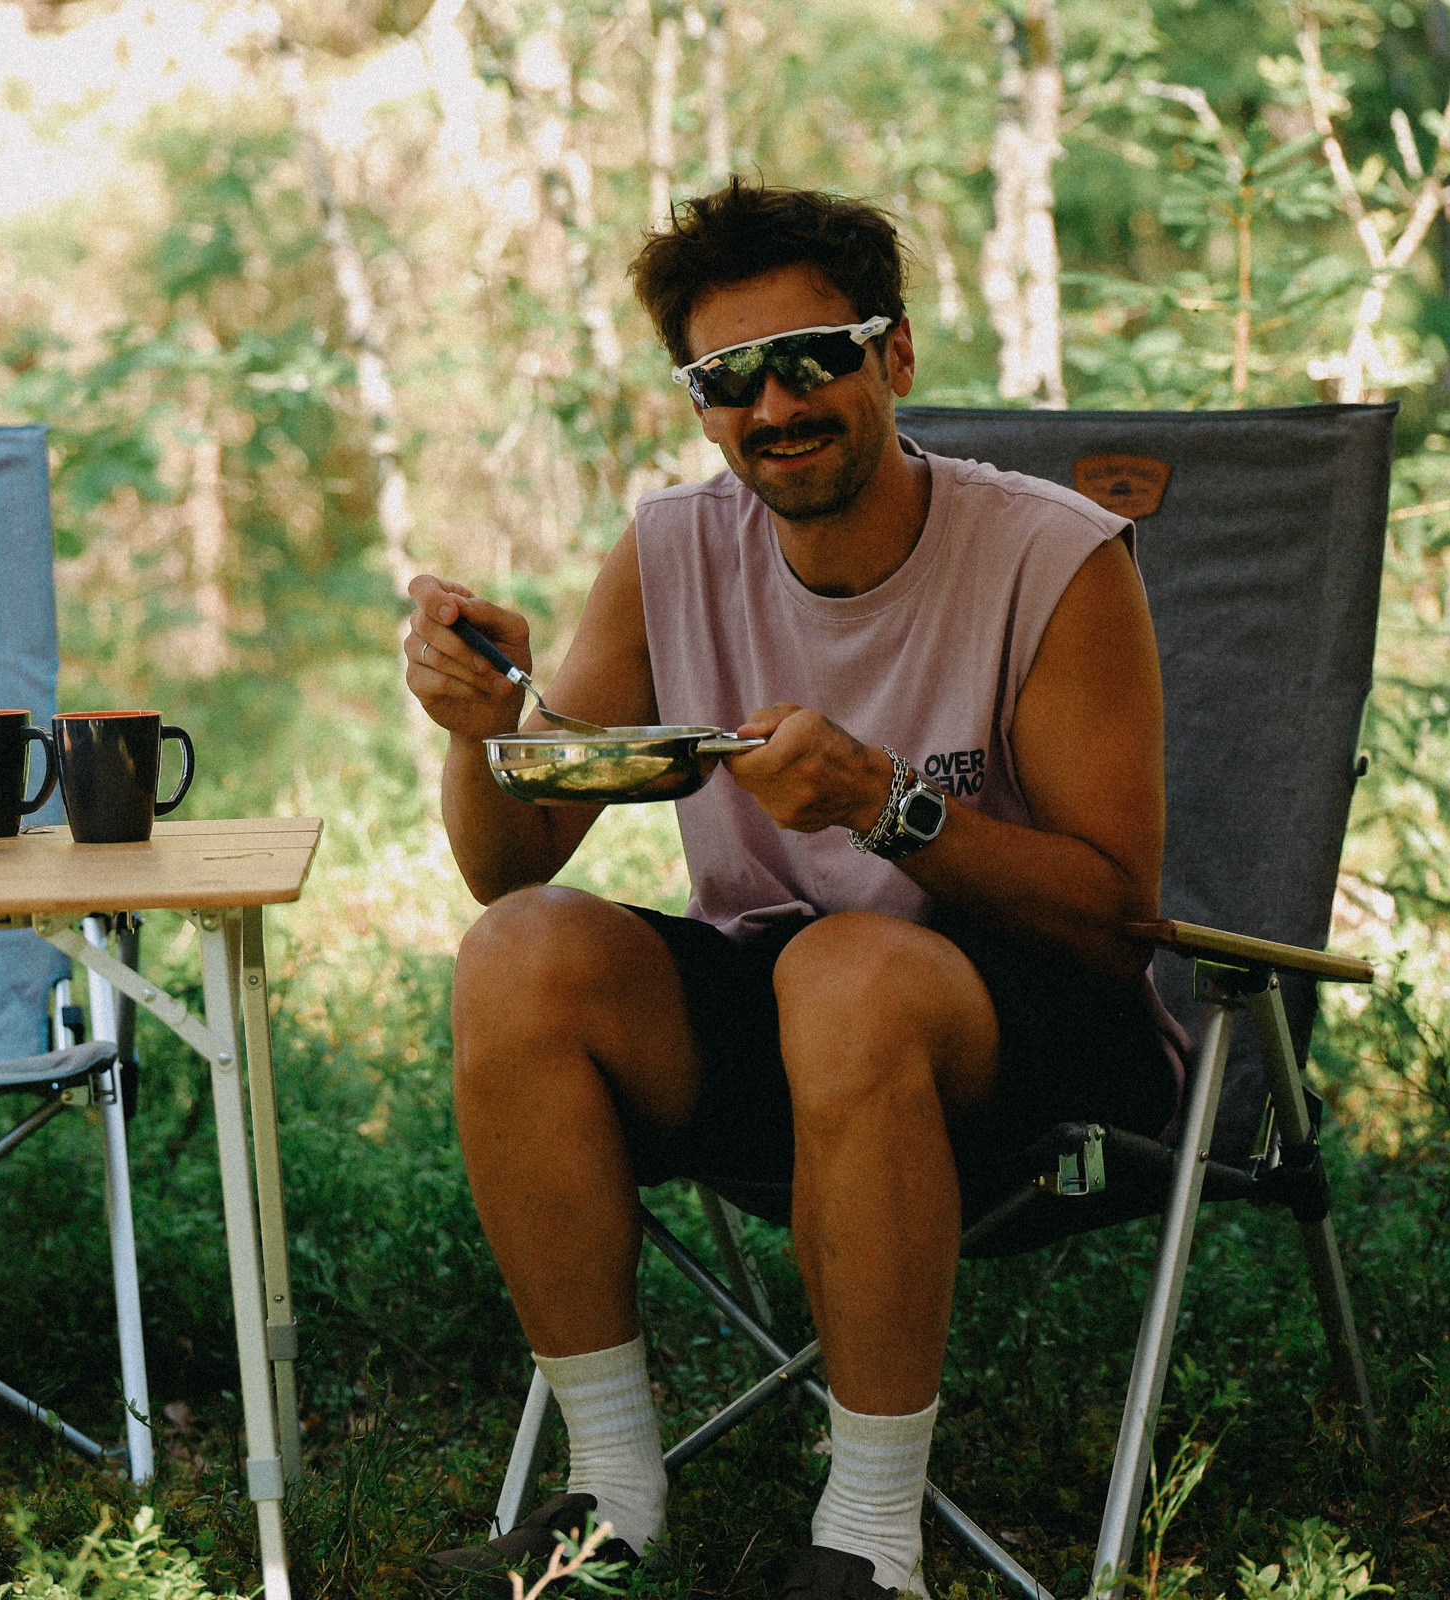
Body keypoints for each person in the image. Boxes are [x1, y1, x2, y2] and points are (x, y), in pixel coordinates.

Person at [406, 181, 1182, 1600]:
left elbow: (1116, 915)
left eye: (813, 356)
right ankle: (611, 1499)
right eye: (726, 379)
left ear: (893, 358)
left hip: (1037, 1042)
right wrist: (478, 726)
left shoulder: (1052, 557)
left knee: (847, 970)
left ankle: (873, 1547)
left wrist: (889, 806)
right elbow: (504, 861)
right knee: (520, 951)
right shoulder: (668, 552)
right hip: (790, 1031)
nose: (773, 405)